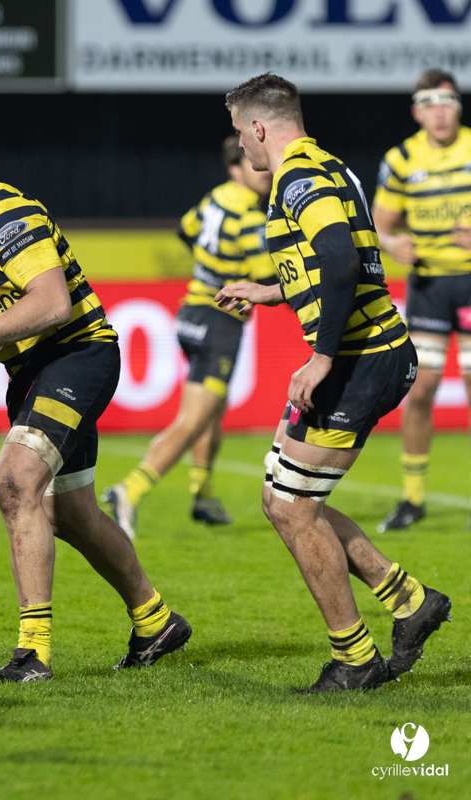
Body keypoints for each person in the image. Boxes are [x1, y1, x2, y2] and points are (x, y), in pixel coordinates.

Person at [0, 108, 192, 682]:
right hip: (30, 370)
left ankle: (32, 653)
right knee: (72, 515)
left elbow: (53, 304)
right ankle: (156, 621)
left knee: (14, 482)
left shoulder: (4, 211)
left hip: (78, 355)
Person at [218, 73, 451, 693]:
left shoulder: (297, 175)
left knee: (293, 506)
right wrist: (271, 291)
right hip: (360, 354)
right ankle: (410, 602)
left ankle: (354, 659)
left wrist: (320, 357)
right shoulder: (328, 167)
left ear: (260, 126)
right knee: (282, 498)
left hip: (358, 358)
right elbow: (342, 260)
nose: (242, 146)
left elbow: (345, 262)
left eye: (242, 133)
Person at [103, 135, 275, 537]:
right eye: (254, 165)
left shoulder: (214, 199)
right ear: (235, 169)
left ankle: (203, 495)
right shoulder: (250, 217)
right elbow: (268, 280)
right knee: (193, 421)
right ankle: (130, 490)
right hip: (217, 325)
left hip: (190, 312)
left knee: (212, 412)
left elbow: (185, 230)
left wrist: (212, 271)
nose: (264, 174)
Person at [373, 70, 471, 532]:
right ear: (417, 111)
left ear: (458, 107)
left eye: (447, 101)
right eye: (430, 103)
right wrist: (393, 245)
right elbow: (382, 222)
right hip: (429, 286)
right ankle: (413, 497)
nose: (439, 110)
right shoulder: (401, 158)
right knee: (422, 388)